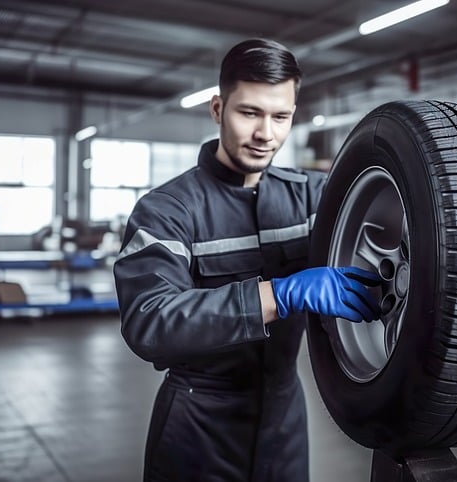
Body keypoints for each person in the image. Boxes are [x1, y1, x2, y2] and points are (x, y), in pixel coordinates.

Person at [113, 38, 381, 482]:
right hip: (198, 426)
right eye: (249, 113)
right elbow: (149, 322)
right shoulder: (166, 211)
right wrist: (279, 294)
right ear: (218, 109)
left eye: (281, 117)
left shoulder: (315, 197)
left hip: (285, 419)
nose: (265, 134)